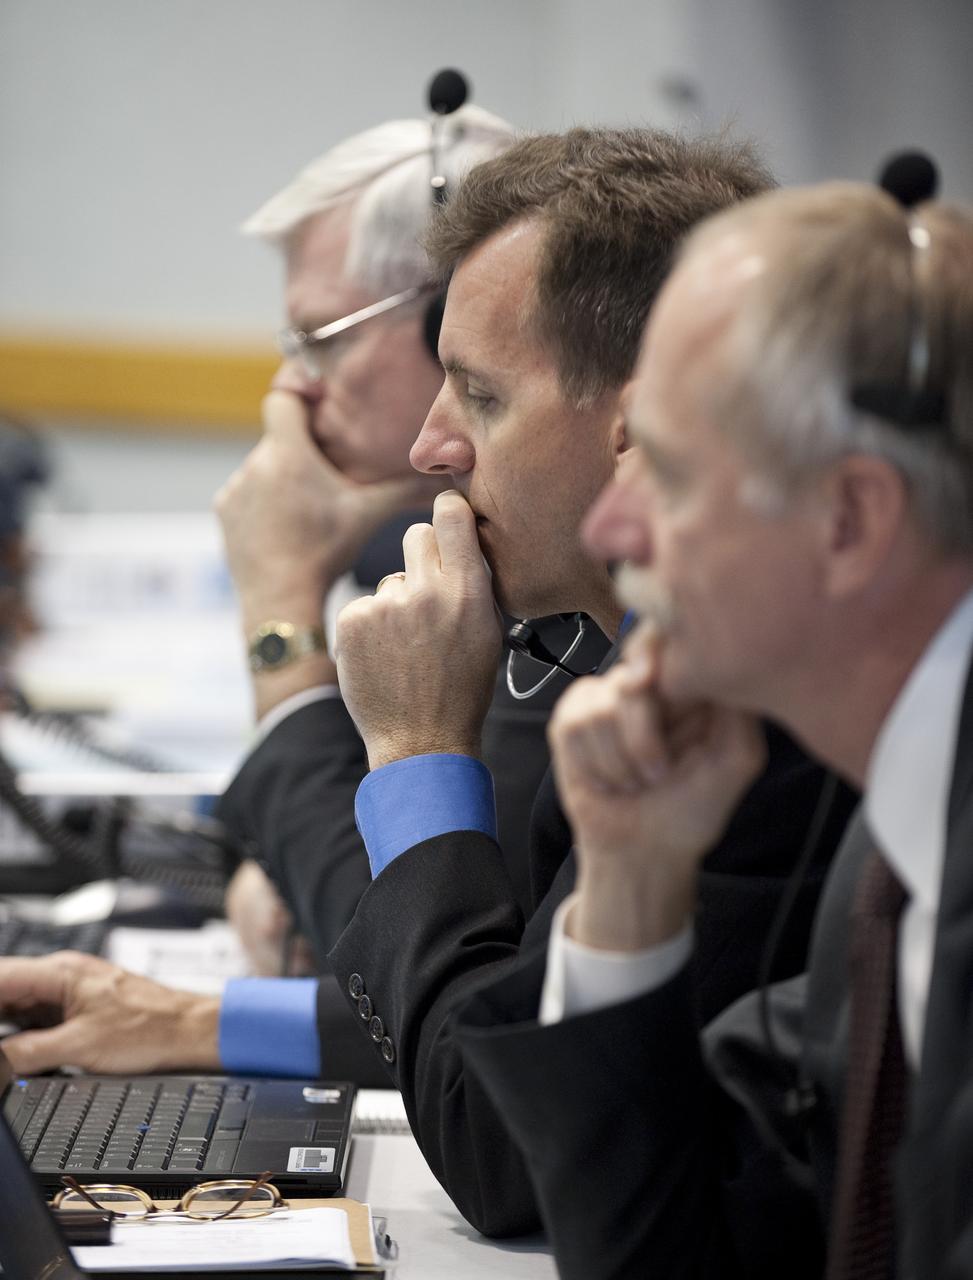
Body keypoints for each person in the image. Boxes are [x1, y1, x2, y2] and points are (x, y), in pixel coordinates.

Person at [325, 128, 855, 1235]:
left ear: (639, 421)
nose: (429, 447)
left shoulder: (748, 720)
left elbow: (502, 1150)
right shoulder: (627, 662)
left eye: (480, 396)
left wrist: (417, 751)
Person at [450, 182, 973, 1277]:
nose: (610, 527)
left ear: (848, 520)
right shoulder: (886, 860)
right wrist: (630, 897)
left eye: (670, 471)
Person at [0, 106, 529, 1085]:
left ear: (445, 318)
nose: (291, 387)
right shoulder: (406, 553)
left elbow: (418, 977)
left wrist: (278, 607)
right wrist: (266, 859)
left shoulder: (544, 602)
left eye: (319, 337)